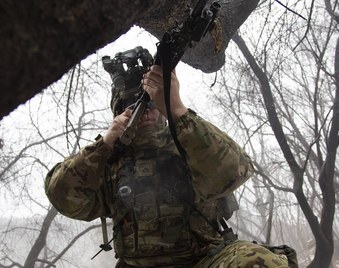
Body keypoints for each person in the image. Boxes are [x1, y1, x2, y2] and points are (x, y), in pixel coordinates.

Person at [44, 55, 291, 267]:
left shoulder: (189, 142)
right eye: (134, 106)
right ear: (119, 111)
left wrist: (177, 110)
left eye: (150, 102)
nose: (145, 111)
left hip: (203, 260)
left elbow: (234, 171)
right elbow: (62, 197)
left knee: (258, 261)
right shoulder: (107, 163)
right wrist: (105, 143)